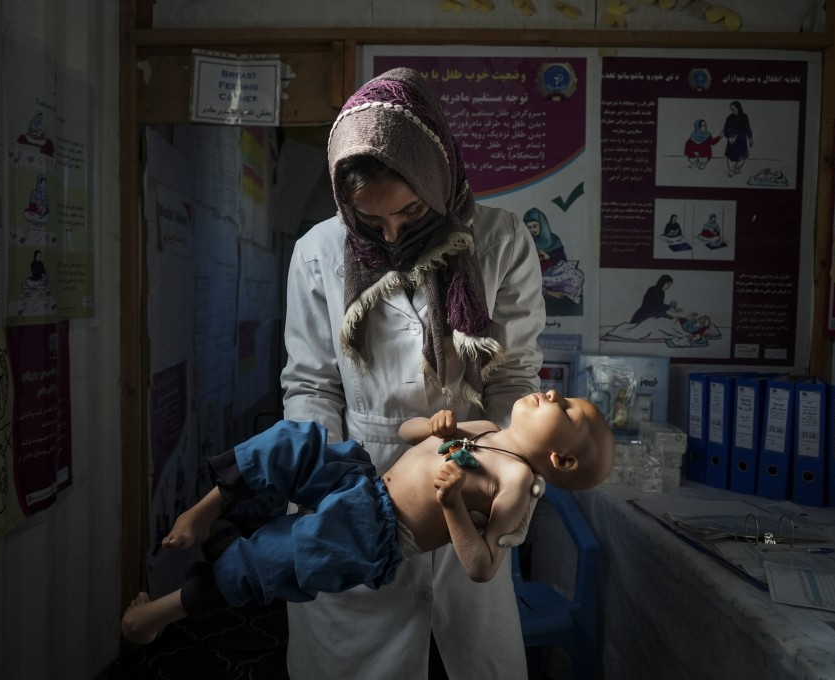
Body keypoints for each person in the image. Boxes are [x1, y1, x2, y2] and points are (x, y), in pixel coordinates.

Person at [280, 67, 546, 680]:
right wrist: (325, 495)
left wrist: (505, 467)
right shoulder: (319, 252)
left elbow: (511, 381)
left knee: (476, 657)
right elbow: (311, 386)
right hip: (355, 477)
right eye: (372, 222)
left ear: (438, 173)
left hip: (469, 468)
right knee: (350, 660)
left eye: (411, 210)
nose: (394, 234)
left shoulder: (501, 242)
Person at [121, 391, 615, 645]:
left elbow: (482, 566)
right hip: (366, 483)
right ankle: (206, 511)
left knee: (270, 560)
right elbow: (407, 432)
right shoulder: (485, 428)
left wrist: (452, 507)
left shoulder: (513, 486)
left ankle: (153, 617)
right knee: (294, 443)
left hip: (371, 532)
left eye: (568, 411)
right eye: (564, 396)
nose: (553, 395)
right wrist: (434, 423)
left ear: (562, 462)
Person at [722, 100, 753, 177]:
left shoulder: (744, 116)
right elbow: (725, 129)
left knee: (742, 155)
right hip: (732, 138)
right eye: (731, 109)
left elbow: (747, 128)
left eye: (734, 108)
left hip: (742, 138)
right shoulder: (730, 118)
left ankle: (738, 167)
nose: (733, 110)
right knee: (731, 156)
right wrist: (730, 136)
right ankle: (731, 170)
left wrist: (750, 138)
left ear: (739, 108)